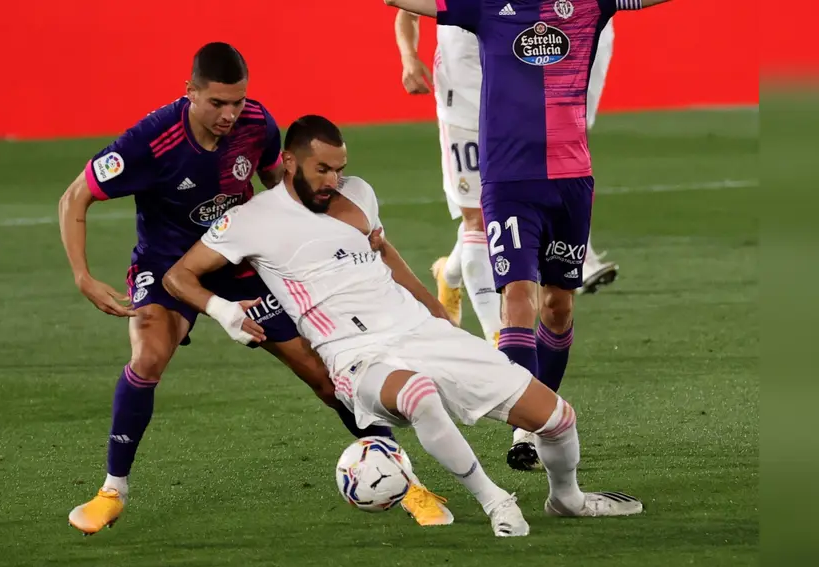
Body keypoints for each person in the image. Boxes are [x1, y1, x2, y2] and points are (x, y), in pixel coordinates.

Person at [162, 115, 644, 536]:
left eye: (340, 168)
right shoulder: (251, 220)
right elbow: (178, 275)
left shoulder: (360, 194)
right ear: (289, 162)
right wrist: (223, 311)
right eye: (322, 169)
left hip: (419, 330)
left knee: (558, 418)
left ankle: (568, 498)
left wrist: (434, 309)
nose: (334, 178)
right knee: (419, 397)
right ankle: (494, 499)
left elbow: (383, 253)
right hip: (353, 352)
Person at [58, 43, 442, 535]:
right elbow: (76, 196)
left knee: (327, 376)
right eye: (217, 103)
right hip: (168, 264)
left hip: (238, 260)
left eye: (237, 101)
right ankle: (112, 490)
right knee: (149, 356)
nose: (230, 114)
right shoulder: (150, 143)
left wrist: (346, 230)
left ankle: (405, 483)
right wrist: (82, 276)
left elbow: (282, 195)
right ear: (190, 93)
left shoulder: (258, 125)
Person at [384, 0, 672, 471]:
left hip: (570, 178)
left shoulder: (587, 6)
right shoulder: (483, 8)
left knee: (558, 305)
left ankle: (455, 279)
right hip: (506, 172)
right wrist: (408, 55)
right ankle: (526, 419)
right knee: (516, 292)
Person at [392, 7, 618, 345]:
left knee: (499, 215)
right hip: (463, 104)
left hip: (516, 105)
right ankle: (497, 346)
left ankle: (449, 272)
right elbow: (405, 11)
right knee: (477, 220)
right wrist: (409, 58)